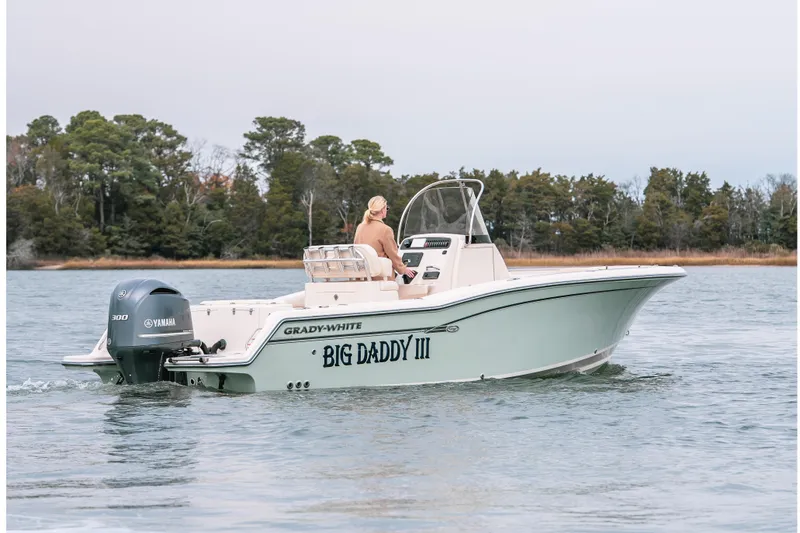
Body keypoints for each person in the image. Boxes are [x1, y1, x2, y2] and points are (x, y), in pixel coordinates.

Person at [353, 196, 417, 281]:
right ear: (383, 210)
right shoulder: (385, 229)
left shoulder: (360, 227)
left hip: (362, 277)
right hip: (381, 278)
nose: (386, 210)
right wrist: (403, 269)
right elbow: (392, 255)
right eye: (387, 208)